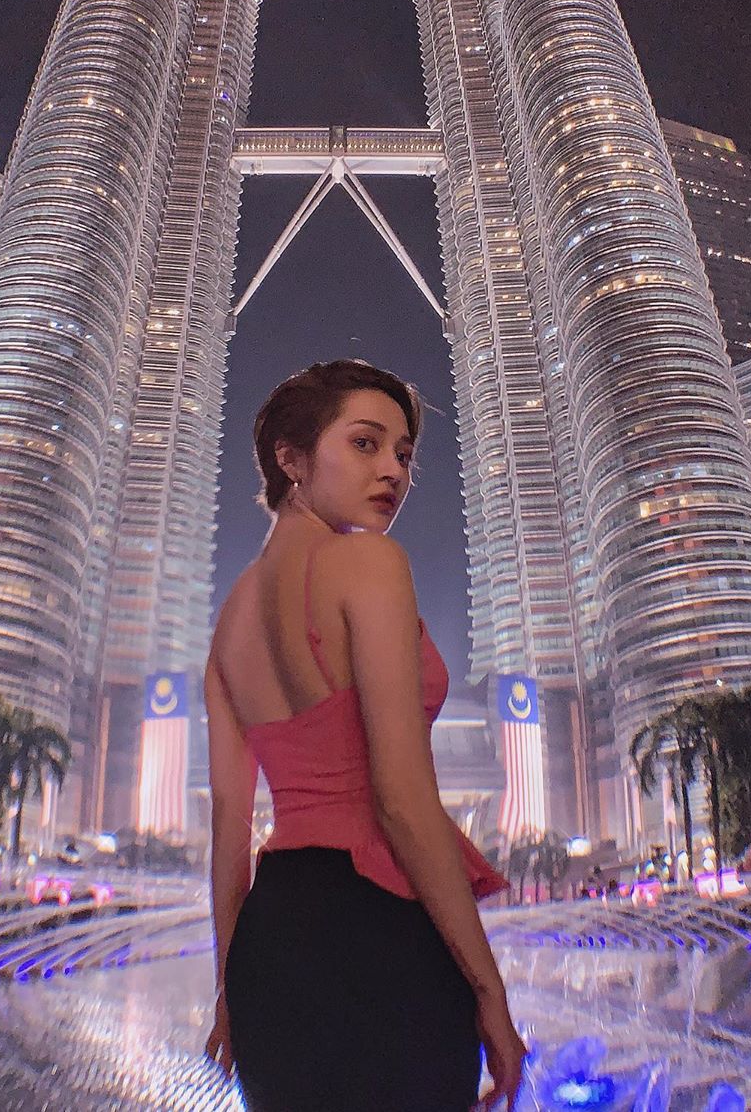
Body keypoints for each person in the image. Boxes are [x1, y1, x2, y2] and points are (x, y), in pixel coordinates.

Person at [205, 361, 525, 1112]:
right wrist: (490, 991)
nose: (393, 471)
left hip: (269, 945)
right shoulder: (368, 562)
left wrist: (228, 994)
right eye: (365, 443)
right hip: (377, 927)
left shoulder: (229, 623)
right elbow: (401, 801)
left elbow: (228, 830)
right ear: (292, 459)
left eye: (404, 454)